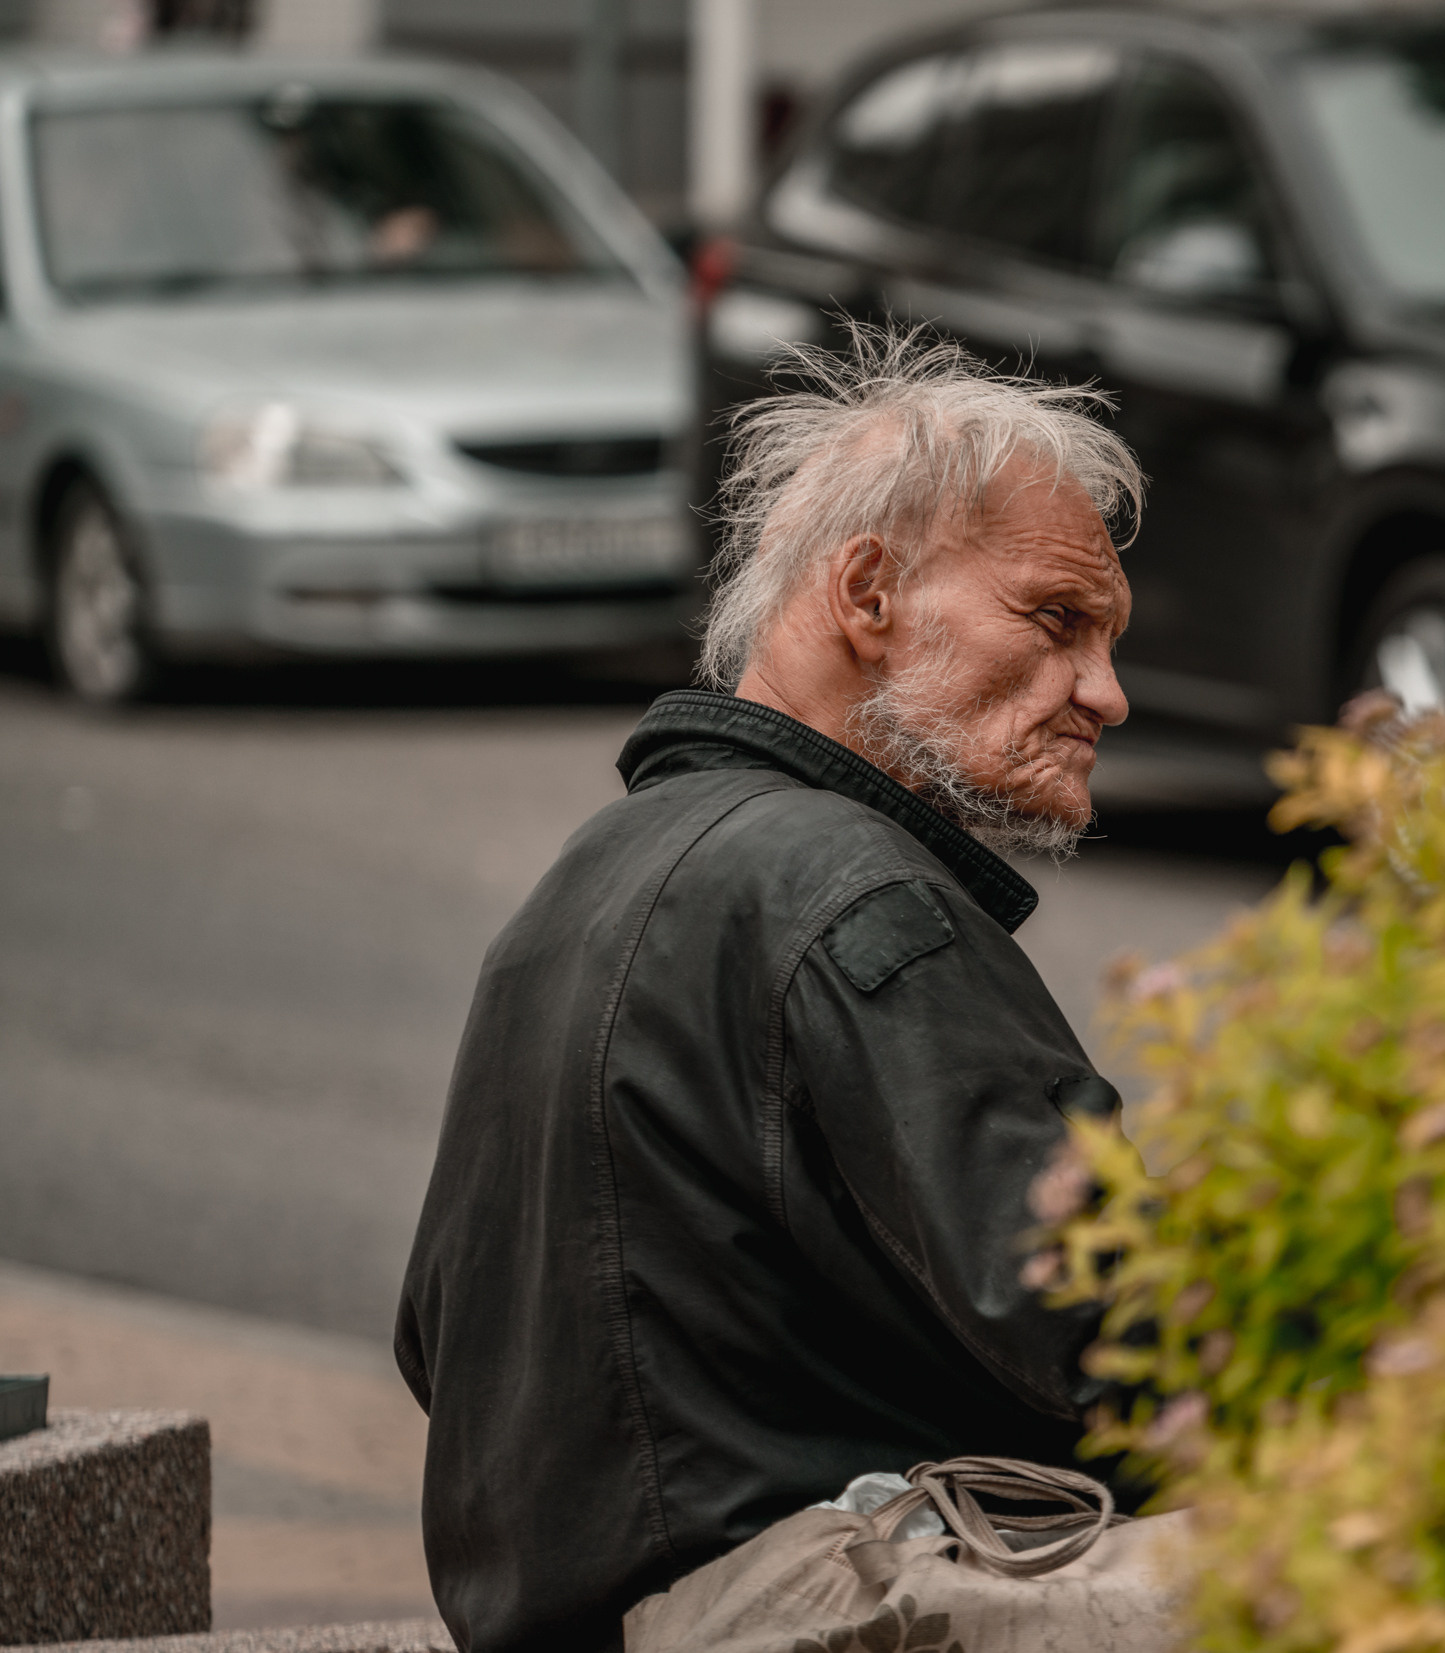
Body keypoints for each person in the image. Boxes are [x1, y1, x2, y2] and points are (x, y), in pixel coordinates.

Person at [394, 329, 1146, 1653]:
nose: (1106, 692)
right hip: (768, 1605)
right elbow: (1111, 1327)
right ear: (868, 592)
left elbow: (432, 1336)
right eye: (1056, 620)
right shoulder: (855, 894)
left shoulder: (587, 875)